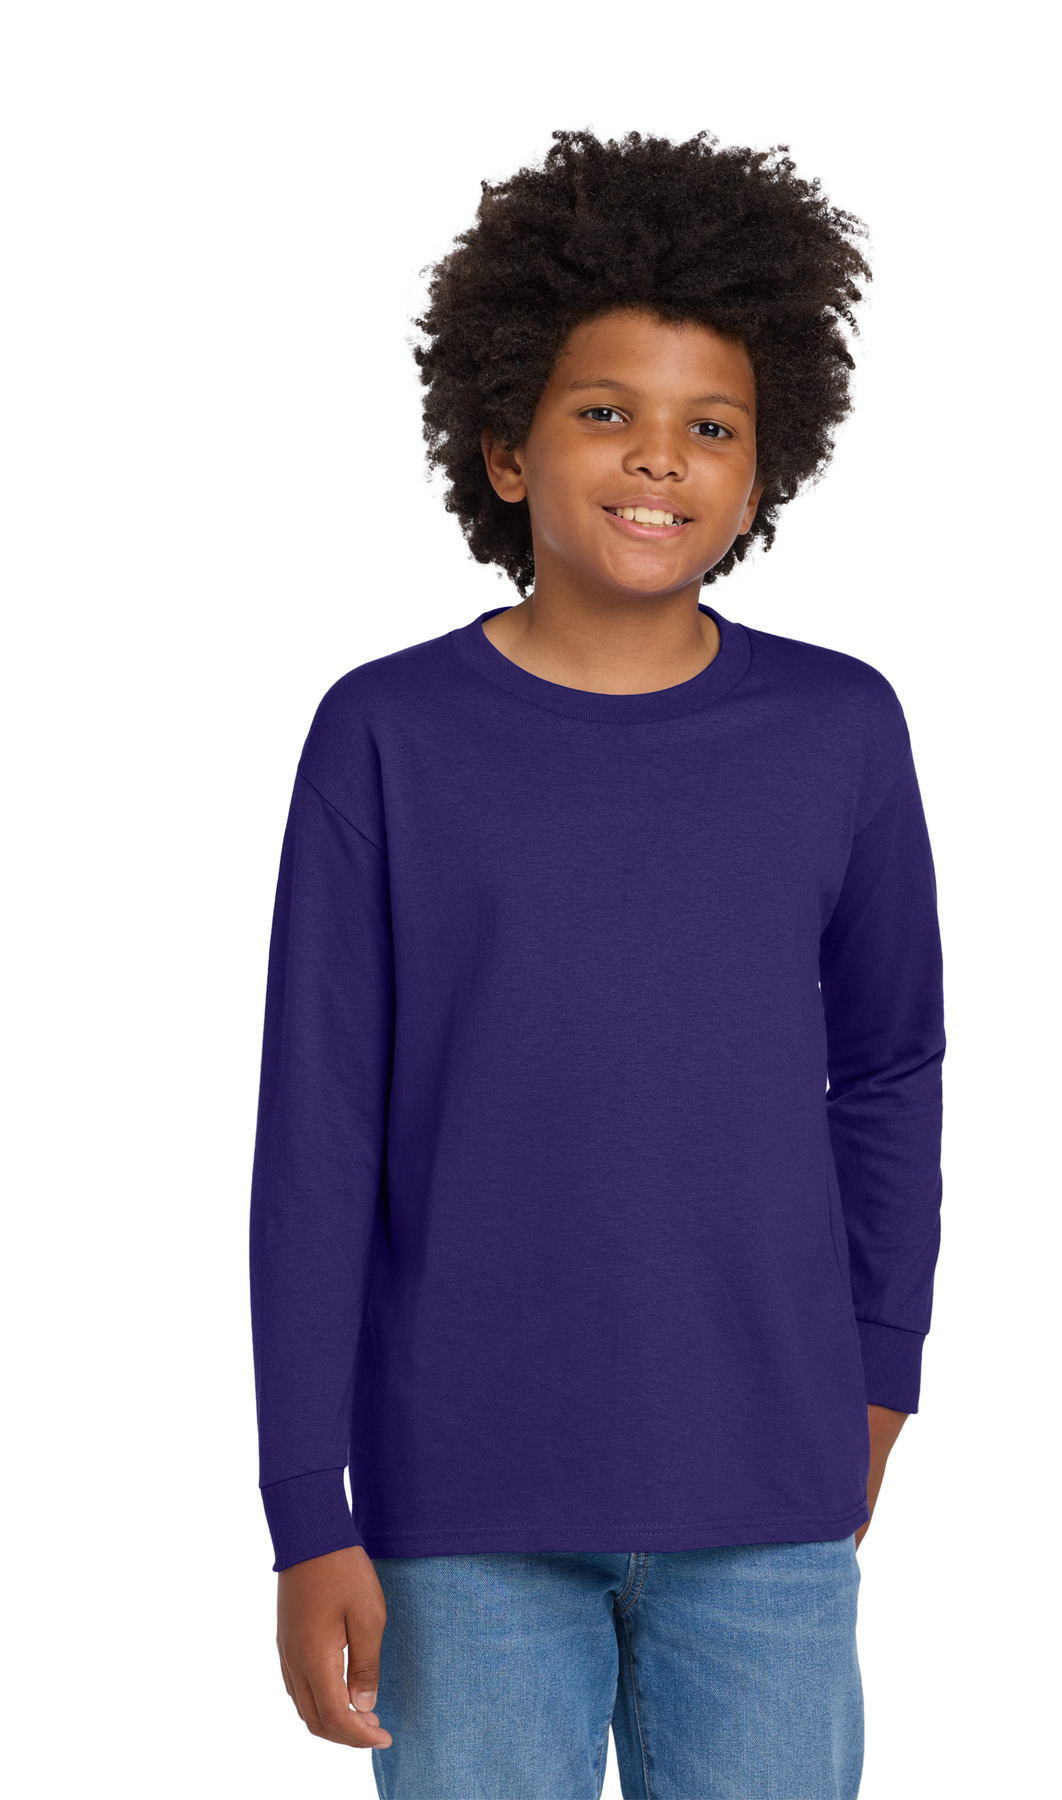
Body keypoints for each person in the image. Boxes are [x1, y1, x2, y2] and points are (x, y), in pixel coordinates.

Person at [249, 128, 945, 1800]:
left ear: (765, 467)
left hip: (769, 1495)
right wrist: (303, 1508)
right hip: (460, 1511)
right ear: (504, 445)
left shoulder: (840, 728)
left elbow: (889, 1070)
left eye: (712, 426)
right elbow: (317, 1136)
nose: (660, 459)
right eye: (605, 412)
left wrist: (880, 1372)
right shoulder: (386, 737)